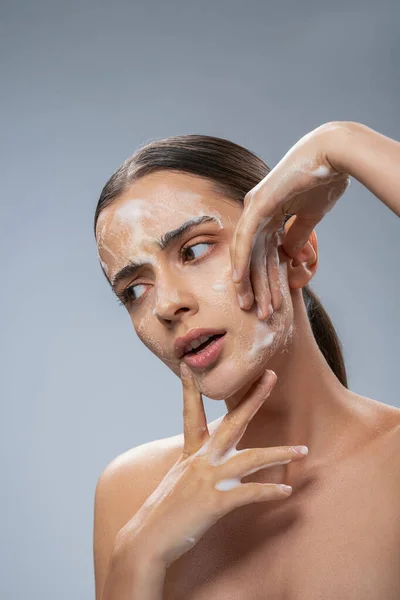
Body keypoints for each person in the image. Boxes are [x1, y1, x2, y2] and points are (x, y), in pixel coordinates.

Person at [93, 121, 400, 600]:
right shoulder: (131, 493)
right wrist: (137, 556)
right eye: (135, 289)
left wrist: (340, 144)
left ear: (295, 255)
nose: (165, 305)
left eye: (193, 250)